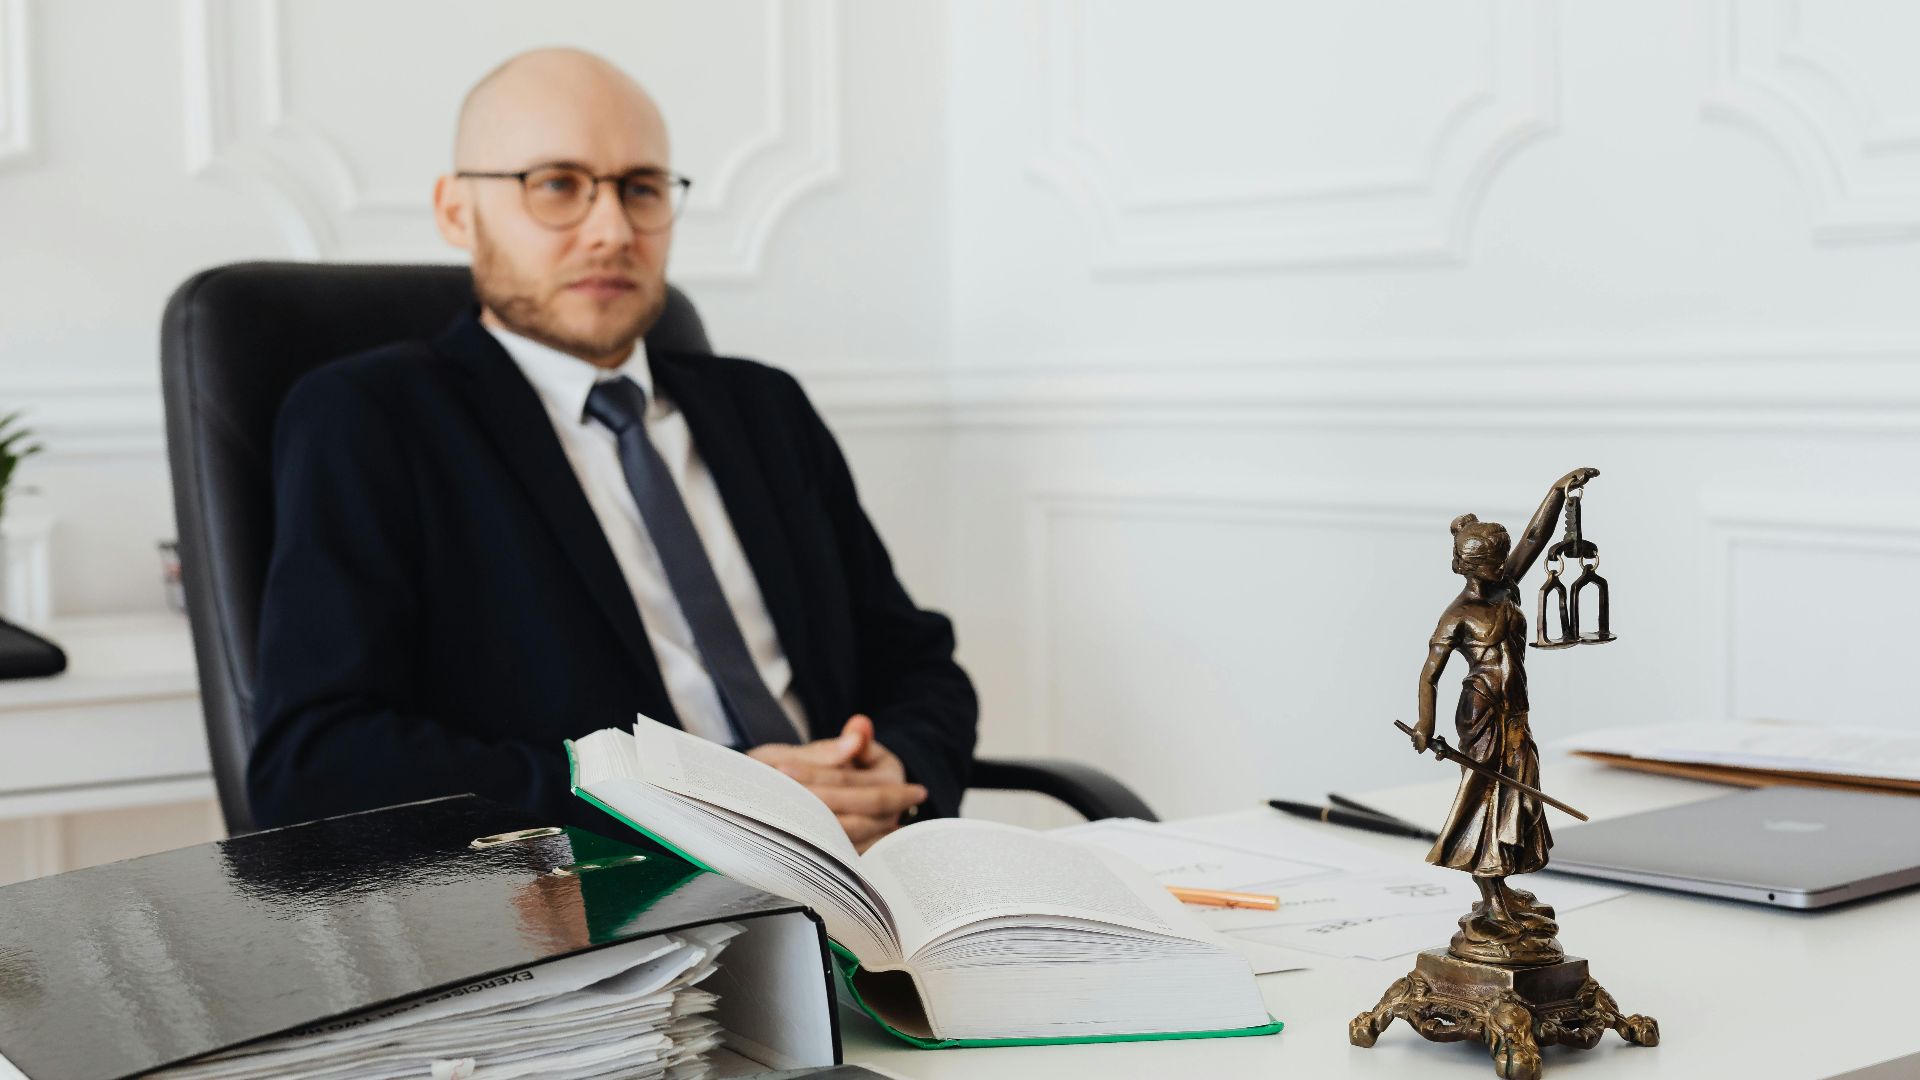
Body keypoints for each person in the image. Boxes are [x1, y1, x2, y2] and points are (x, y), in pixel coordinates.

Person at [248, 48, 976, 849]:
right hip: (618, 894)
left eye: (641, 189)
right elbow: (318, 762)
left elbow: (918, 664)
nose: (613, 231)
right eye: (558, 185)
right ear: (458, 211)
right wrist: (683, 805)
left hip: (865, 864)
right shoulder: (371, 419)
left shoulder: (765, 408)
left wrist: (895, 770)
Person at [1410, 467, 1598, 964]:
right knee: (1487, 799)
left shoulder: (1506, 586)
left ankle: (1502, 888)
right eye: (1495, 562)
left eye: (1503, 560)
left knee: (1518, 794)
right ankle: (1491, 896)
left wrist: (1557, 492)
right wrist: (1425, 726)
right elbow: (1429, 675)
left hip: (1516, 711)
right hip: (1482, 714)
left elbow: (1536, 538)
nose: (1504, 566)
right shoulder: (1457, 615)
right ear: (1468, 566)